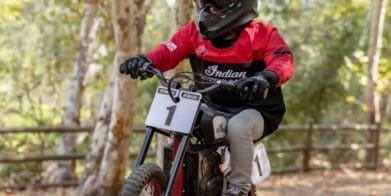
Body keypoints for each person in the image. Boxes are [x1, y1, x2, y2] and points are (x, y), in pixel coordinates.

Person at [120, 0, 295, 195]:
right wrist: (145, 60)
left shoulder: (262, 33)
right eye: (204, 2)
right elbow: (167, 52)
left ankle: (239, 187)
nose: (207, 9)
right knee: (181, 116)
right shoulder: (193, 33)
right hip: (210, 105)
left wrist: (266, 77)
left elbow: (284, 59)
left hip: (254, 110)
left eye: (215, 3)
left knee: (238, 126)